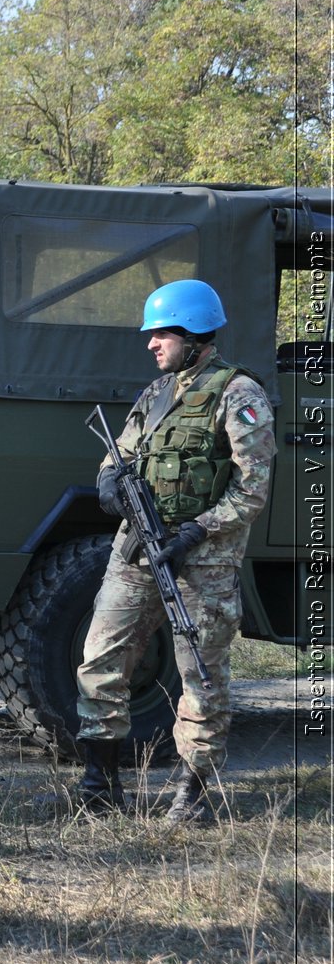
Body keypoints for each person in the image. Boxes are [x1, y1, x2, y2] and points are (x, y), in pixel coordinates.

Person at [77, 279, 275, 821]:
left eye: (160, 333)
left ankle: (192, 792)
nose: (151, 344)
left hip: (202, 559)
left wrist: (199, 529)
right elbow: (117, 454)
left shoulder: (239, 394)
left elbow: (252, 488)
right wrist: (109, 484)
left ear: (192, 335)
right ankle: (99, 781)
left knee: (201, 675)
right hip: (137, 550)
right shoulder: (154, 394)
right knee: (101, 658)